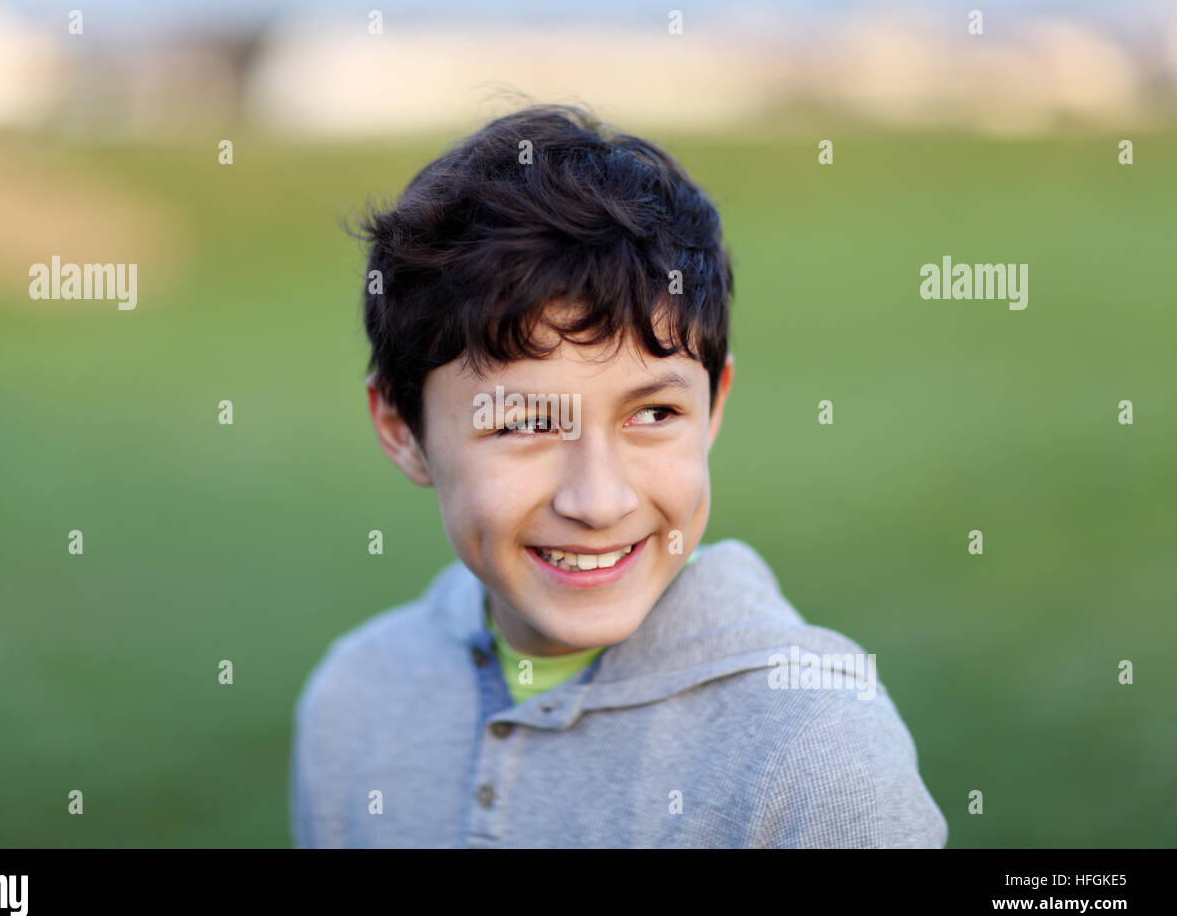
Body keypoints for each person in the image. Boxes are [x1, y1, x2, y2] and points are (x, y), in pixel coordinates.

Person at [290, 103, 947, 847]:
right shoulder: (355, 697)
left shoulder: (815, 752)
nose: (599, 500)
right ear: (402, 431)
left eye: (653, 414)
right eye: (523, 425)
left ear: (713, 406)